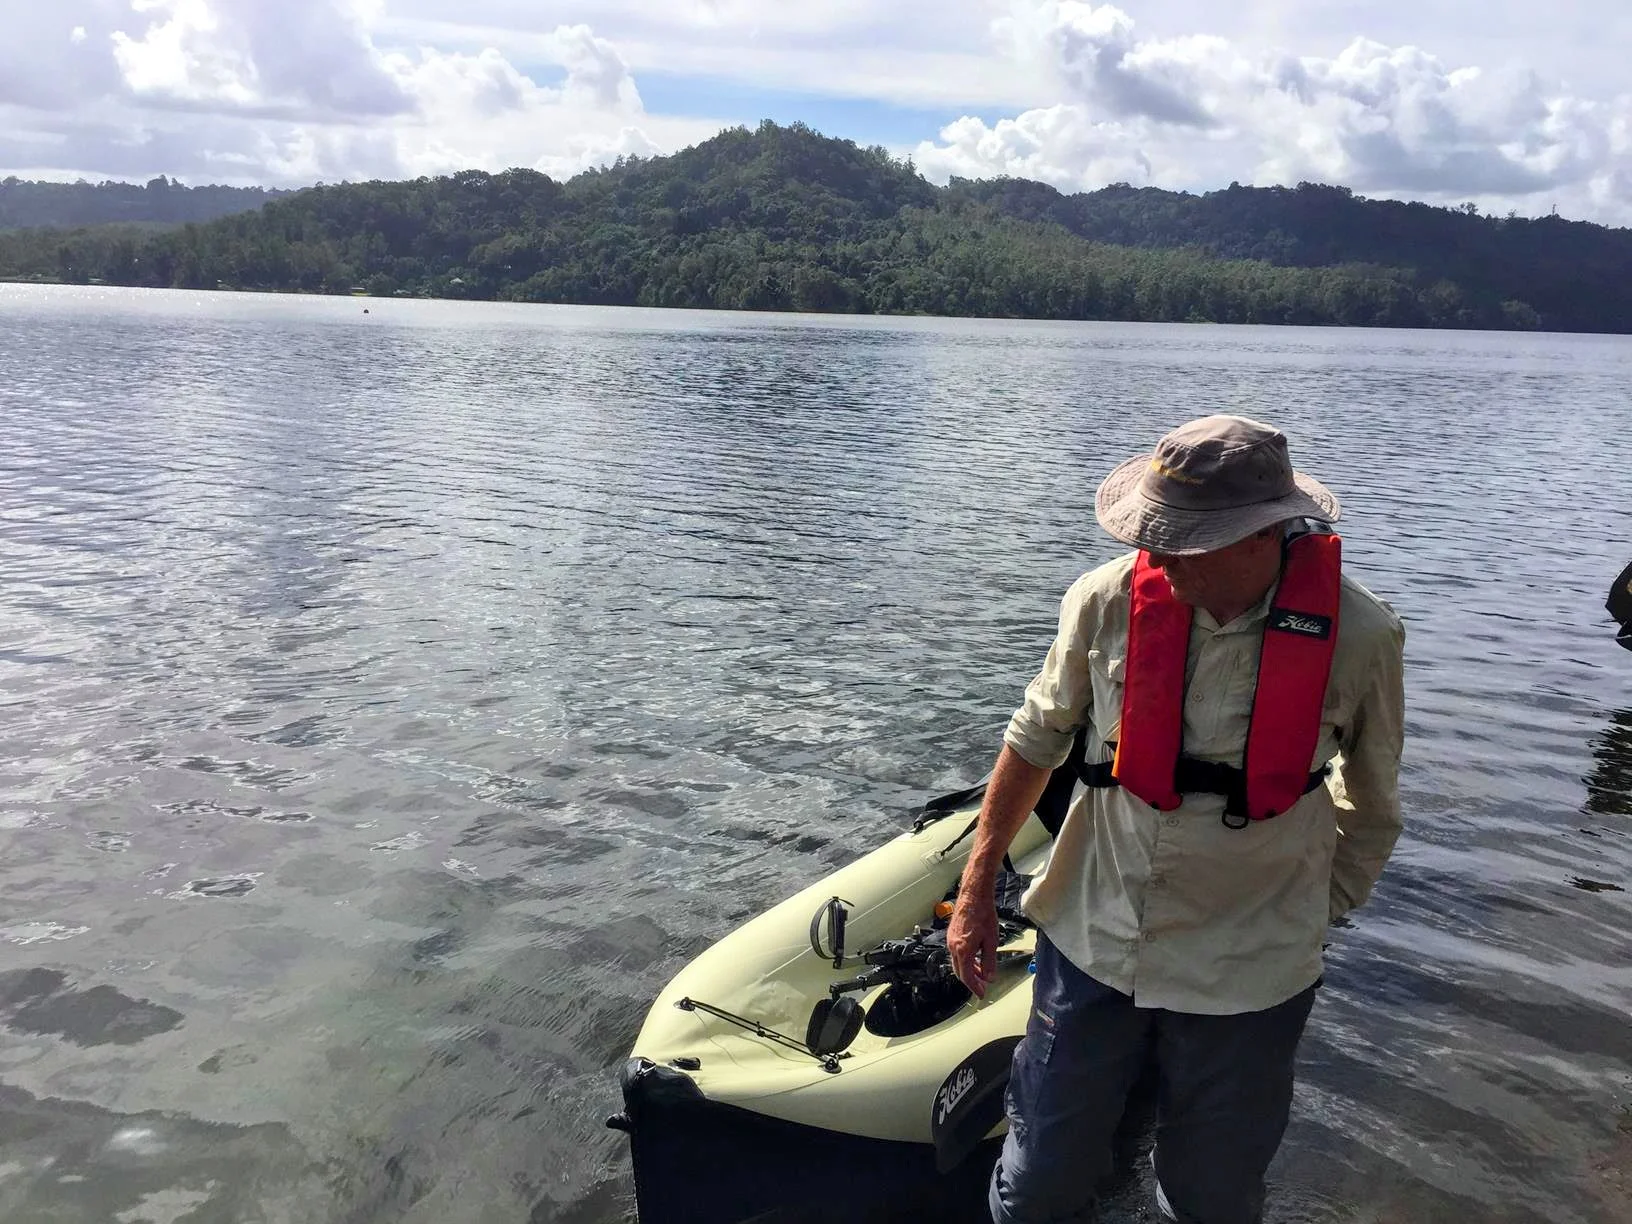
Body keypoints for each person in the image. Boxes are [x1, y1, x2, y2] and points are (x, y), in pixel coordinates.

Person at [947, 415, 1406, 1224]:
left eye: (1182, 539)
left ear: (1260, 535)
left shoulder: (1362, 635)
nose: (1156, 555)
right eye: (1153, 533)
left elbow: (1371, 803)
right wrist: (979, 885)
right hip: (1094, 935)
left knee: (1212, 1195)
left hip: (1251, 964)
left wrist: (1316, 909)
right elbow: (1034, 737)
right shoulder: (1105, 599)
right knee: (1038, 1180)